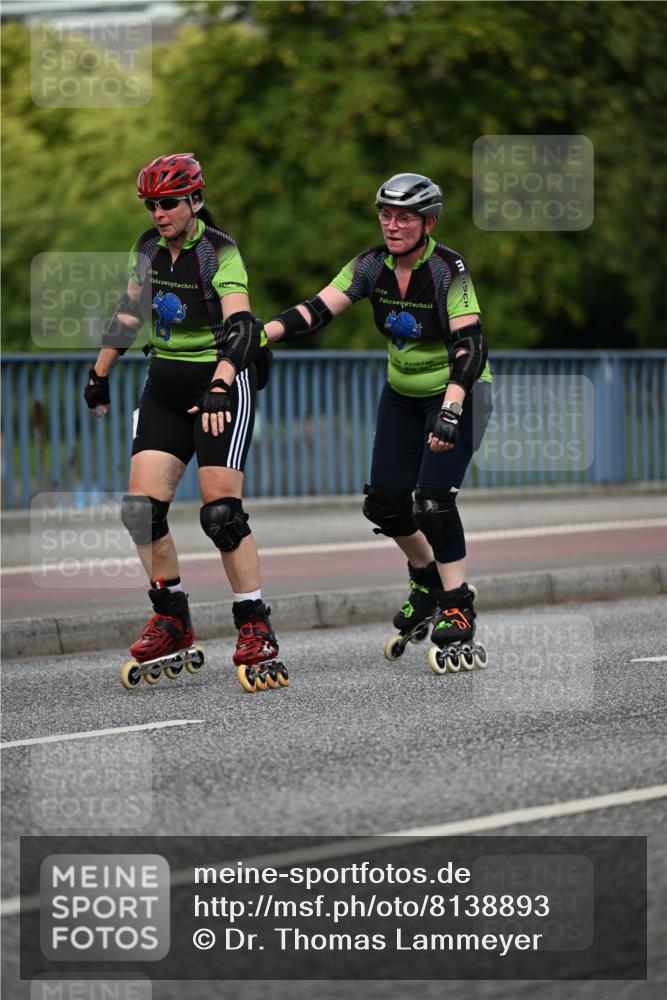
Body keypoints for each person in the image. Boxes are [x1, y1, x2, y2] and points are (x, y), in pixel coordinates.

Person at [264, 172, 492, 673]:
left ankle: (458, 601)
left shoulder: (448, 270)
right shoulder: (370, 266)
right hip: (402, 397)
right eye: (385, 215)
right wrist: (262, 335)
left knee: (432, 503)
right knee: (385, 505)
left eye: (404, 217)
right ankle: (425, 580)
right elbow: (317, 310)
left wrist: (452, 408)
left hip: (461, 392)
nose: (392, 225)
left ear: (428, 222)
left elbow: (470, 346)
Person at [84, 152, 284, 692]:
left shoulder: (220, 252)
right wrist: (99, 373)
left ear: (194, 200)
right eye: (151, 204)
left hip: (221, 385)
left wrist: (220, 385)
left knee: (221, 515)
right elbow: (130, 313)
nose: (158, 213)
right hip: (164, 386)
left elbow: (243, 328)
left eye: (168, 202)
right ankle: (171, 616)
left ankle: (254, 625)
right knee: (140, 511)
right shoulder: (147, 249)